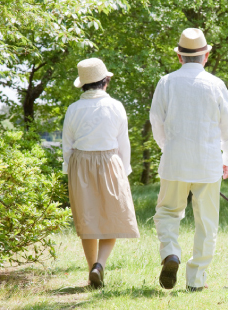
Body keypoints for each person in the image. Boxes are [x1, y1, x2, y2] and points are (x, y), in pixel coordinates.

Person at [150, 28, 228, 291]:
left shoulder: (166, 82)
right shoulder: (216, 84)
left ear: (179, 57)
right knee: (207, 222)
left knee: (167, 212)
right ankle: (196, 279)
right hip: (208, 162)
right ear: (206, 56)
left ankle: (170, 253)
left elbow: (156, 122)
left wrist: (169, 147)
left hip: (175, 160)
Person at [62, 58, 140, 288]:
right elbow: (122, 142)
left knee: (88, 220)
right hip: (109, 161)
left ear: (83, 85)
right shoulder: (116, 106)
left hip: (80, 163)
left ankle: (90, 270)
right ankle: (100, 265)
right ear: (105, 81)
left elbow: (67, 145)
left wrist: (70, 172)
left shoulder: (73, 108)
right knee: (111, 217)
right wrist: (125, 171)